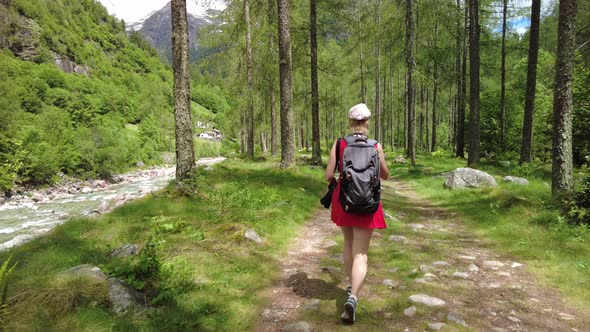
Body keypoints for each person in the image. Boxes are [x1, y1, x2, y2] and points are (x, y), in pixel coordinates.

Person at [324, 103, 390, 324]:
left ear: (351, 123)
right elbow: (385, 175)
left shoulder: (340, 143)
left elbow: (327, 175)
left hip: (345, 202)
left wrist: (338, 182)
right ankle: (353, 298)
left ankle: (351, 285)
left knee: (348, 244)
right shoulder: (375, 145)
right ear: (367, 122)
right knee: (361, 252)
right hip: (369, 203)